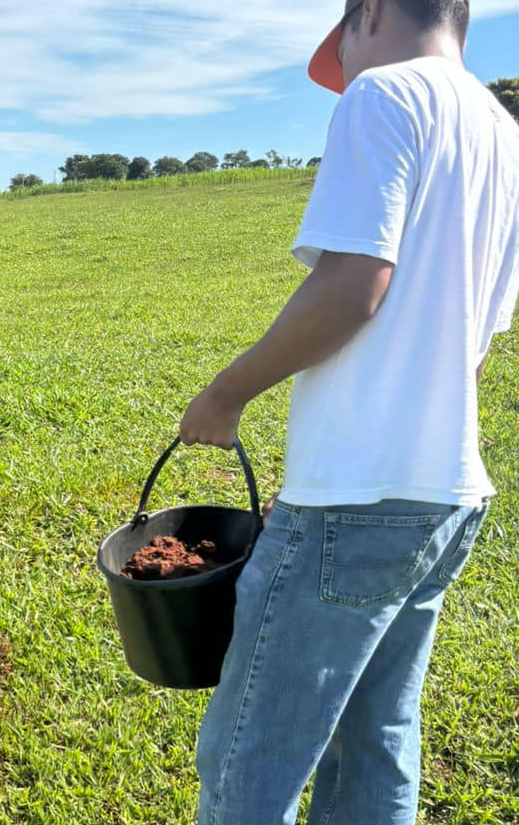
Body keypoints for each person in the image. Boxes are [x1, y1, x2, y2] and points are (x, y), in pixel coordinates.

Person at [178, 1, 519, 822]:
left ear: (366, 13)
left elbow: (353, 284)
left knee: (249, 759)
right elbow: (476, 338)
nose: (344, 80)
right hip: (446, 494)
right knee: (376, 744)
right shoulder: (505, 135)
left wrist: (226, 393)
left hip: (358, 501)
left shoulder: (383, 96)